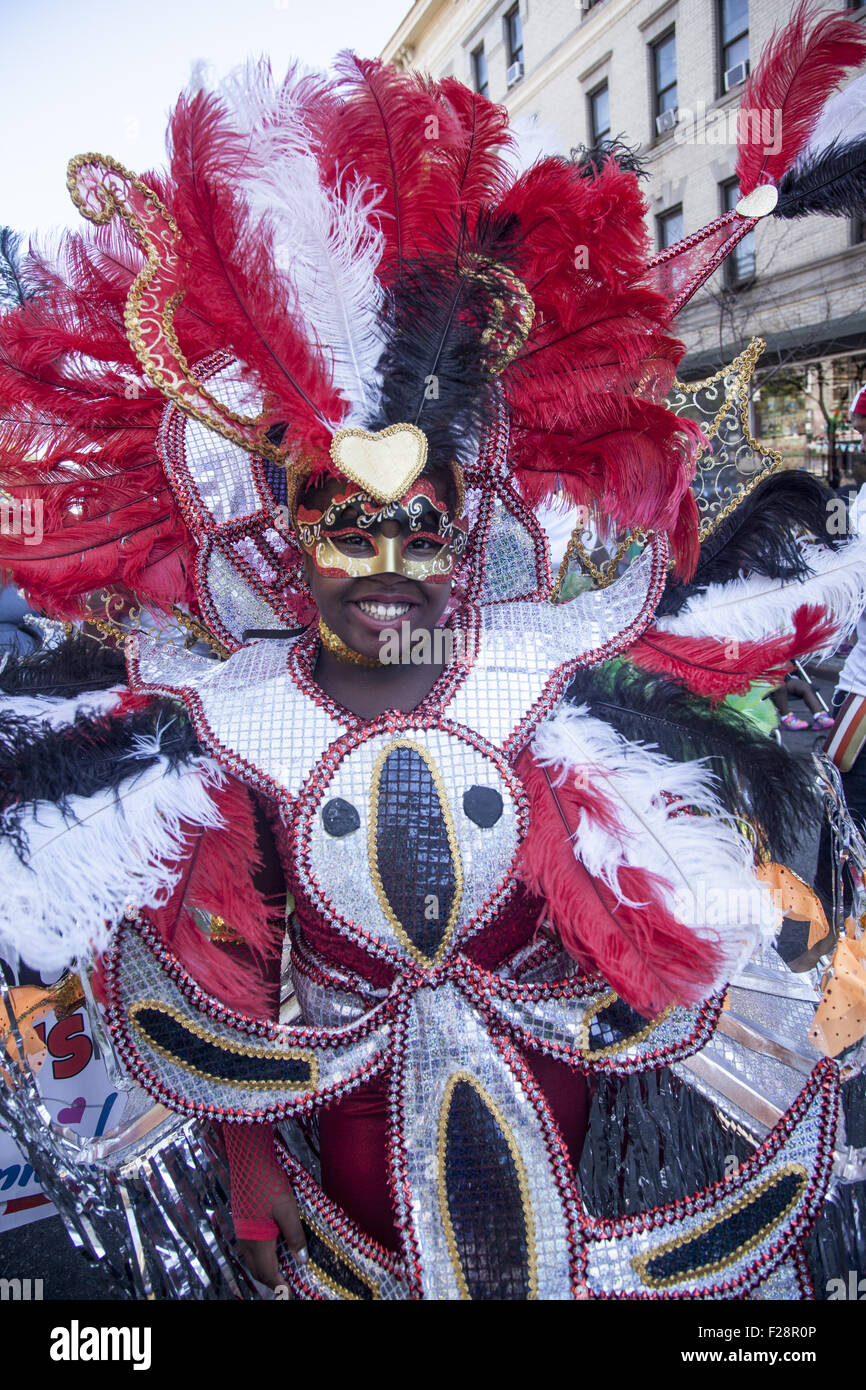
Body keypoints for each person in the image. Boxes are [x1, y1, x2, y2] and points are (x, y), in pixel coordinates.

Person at [3, 10, 866, 1299]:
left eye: (421, 522)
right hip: (345, 1148)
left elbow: (665, 868)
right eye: (344, 525)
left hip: (581, 1106)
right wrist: (251, 1187)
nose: (386, 561)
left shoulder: (546, 666)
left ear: (467, 521)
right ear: (286, 535)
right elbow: (223, 966)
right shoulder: (234, 712)